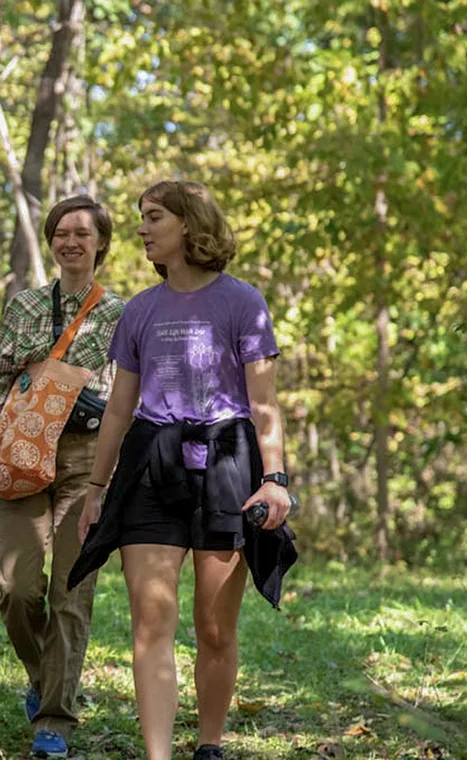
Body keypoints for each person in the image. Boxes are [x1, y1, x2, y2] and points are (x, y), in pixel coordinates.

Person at [68, 180, 297, 760]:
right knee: (152, 619)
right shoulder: (140, 310)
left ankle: (209, 745)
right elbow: (119, 407)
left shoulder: (243, 302)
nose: (142, 229)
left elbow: (265, 402)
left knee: (214, 627)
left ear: (190, 226)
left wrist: (276, 480)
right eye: (142, 218)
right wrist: (96, 488)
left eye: (153, 218)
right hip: (151, 464)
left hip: (227, 462)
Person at [0, 196, 126, 758]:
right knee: (12, 588)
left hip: (86, 459)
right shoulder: (25, 305)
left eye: (82, 233)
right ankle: (45, 678)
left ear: (101, 243)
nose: (71, 241)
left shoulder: (120, 314)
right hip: (21, 450)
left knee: (71, 593)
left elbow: (127, 394)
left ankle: (54, 721)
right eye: (61, 232)